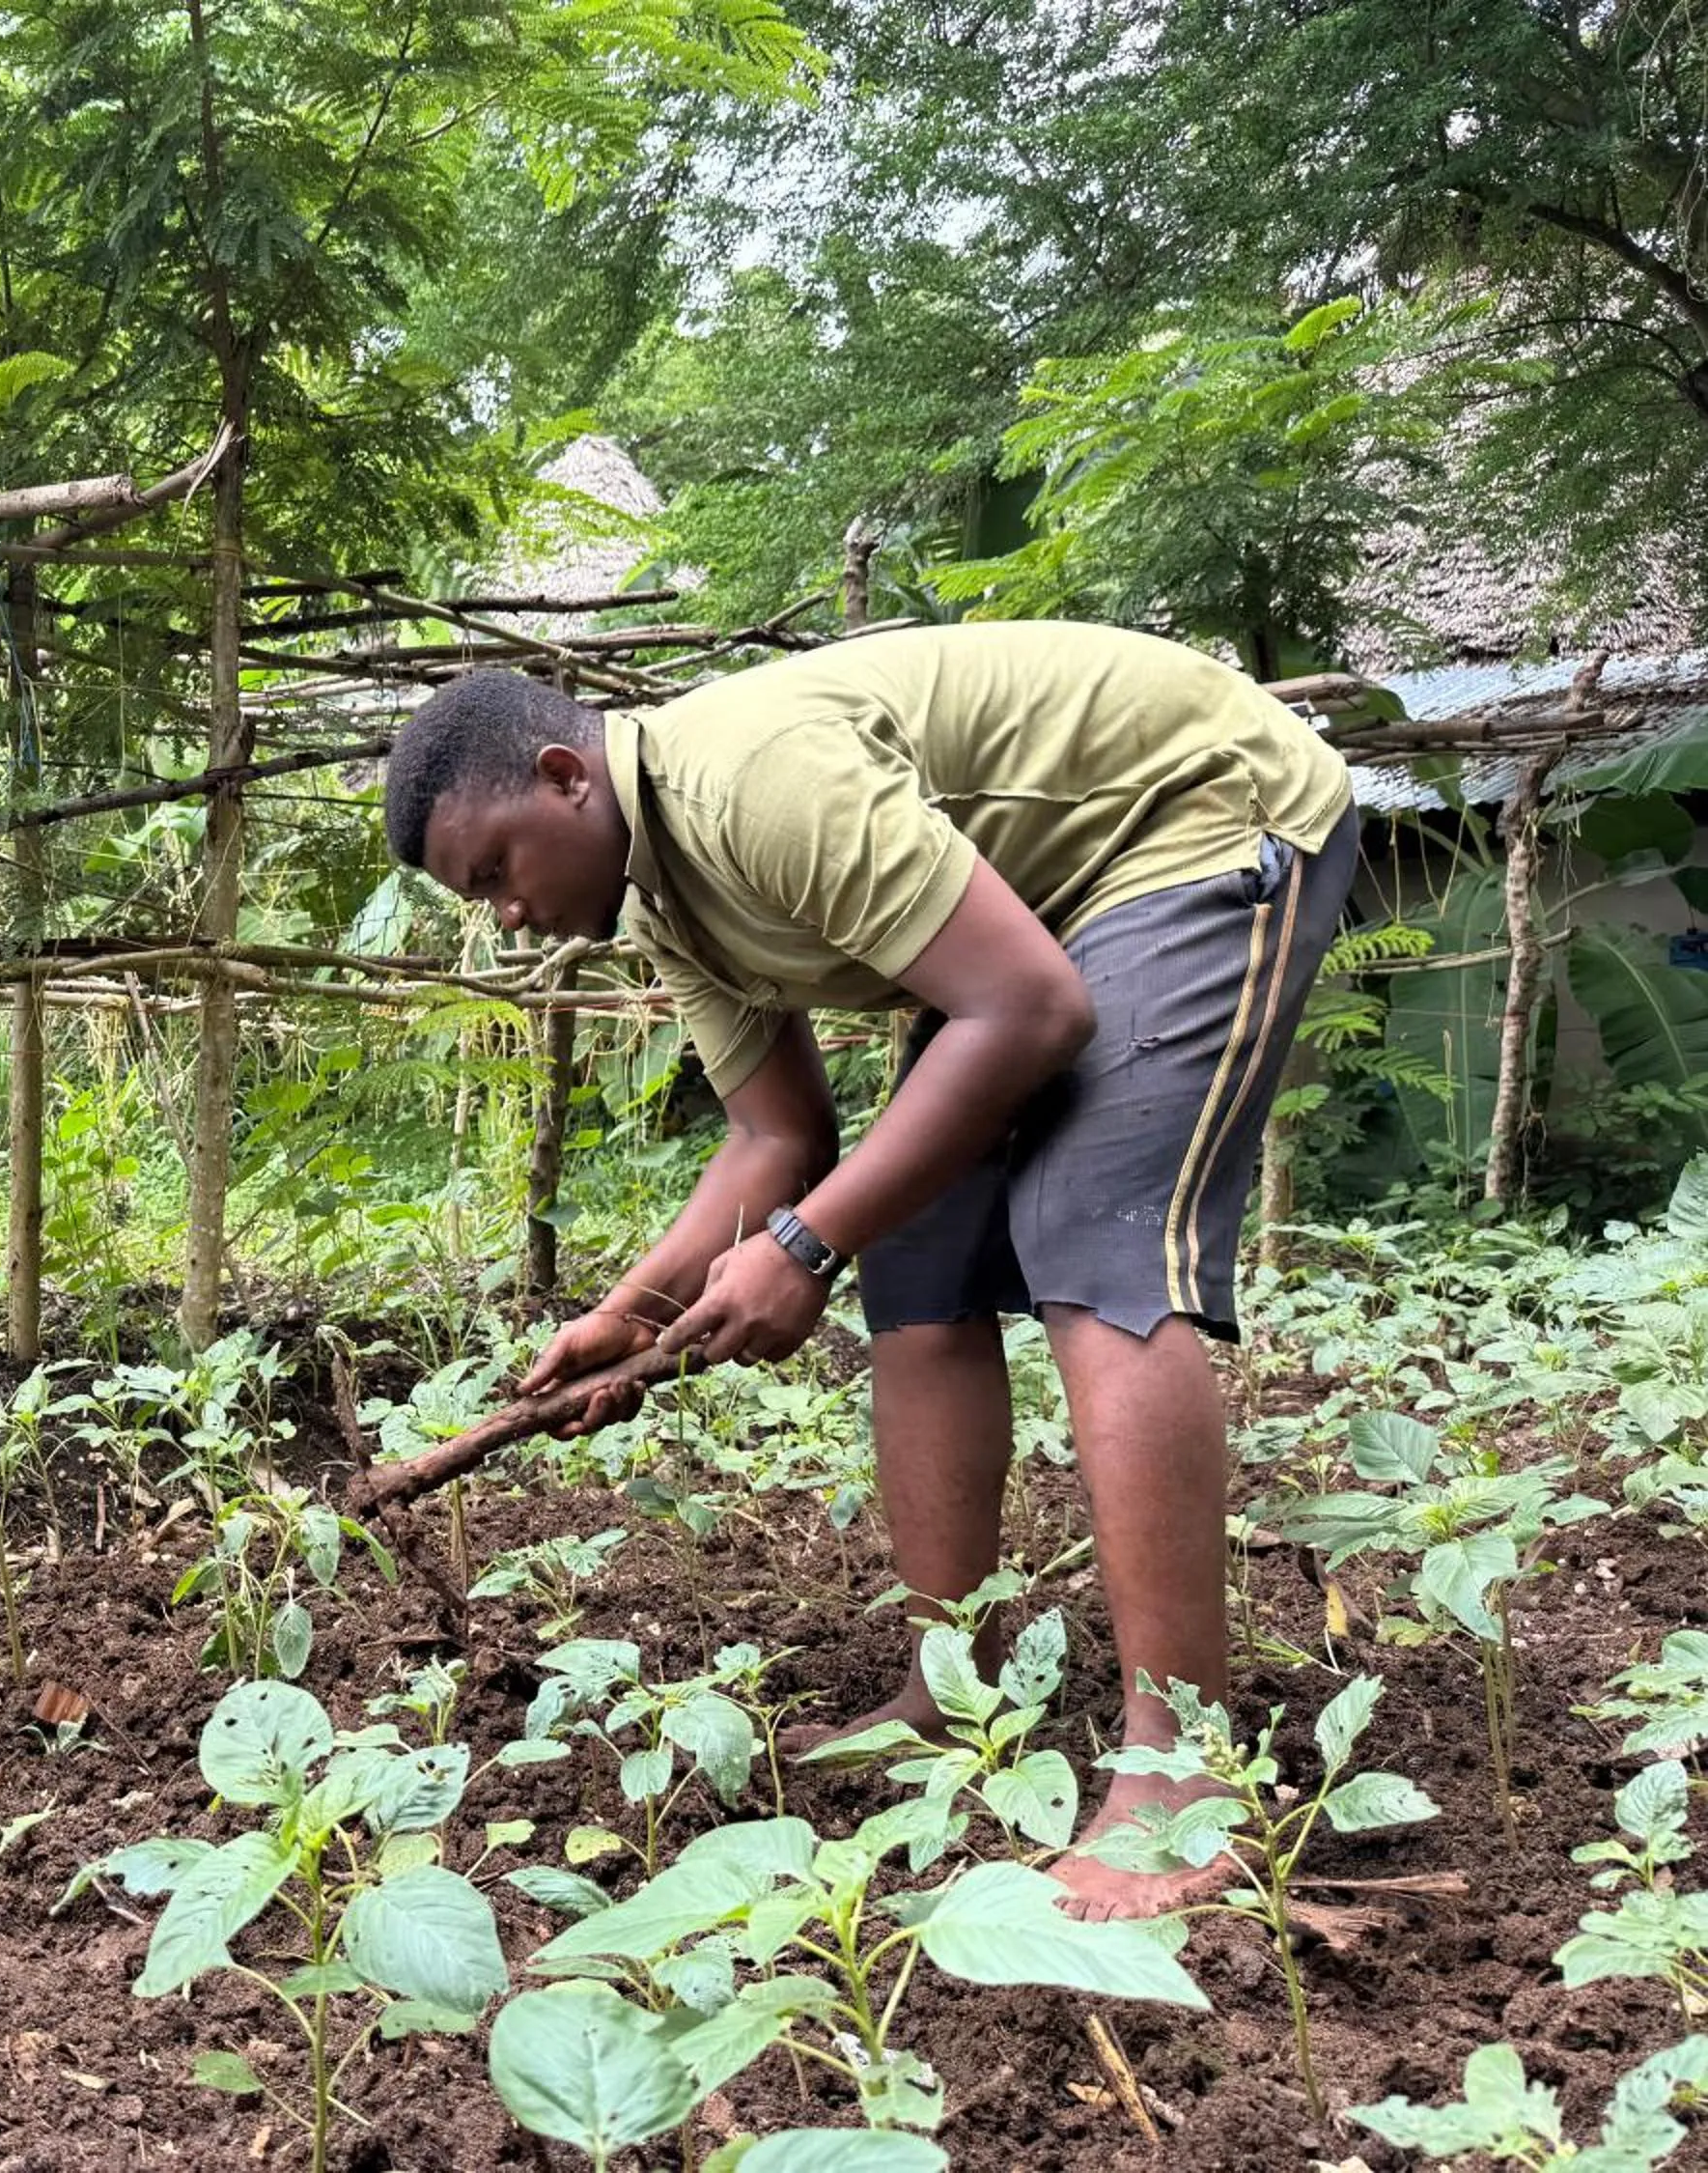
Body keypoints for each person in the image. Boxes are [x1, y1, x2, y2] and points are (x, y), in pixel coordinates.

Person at [381, 621, 1358, 1917]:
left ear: (569, 775)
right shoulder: (664, 895)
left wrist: (802, 1245)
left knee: (1088, 1233)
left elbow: (1032, 1009)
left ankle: (1183, 1777)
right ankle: (950, 1696)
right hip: (1045, 910)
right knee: (919, 1254)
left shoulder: (755, 782)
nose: (506, 916)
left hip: (1198, 820)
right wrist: (630, 1313)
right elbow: (777, 1137)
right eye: (479, 899)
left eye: (496, 869)